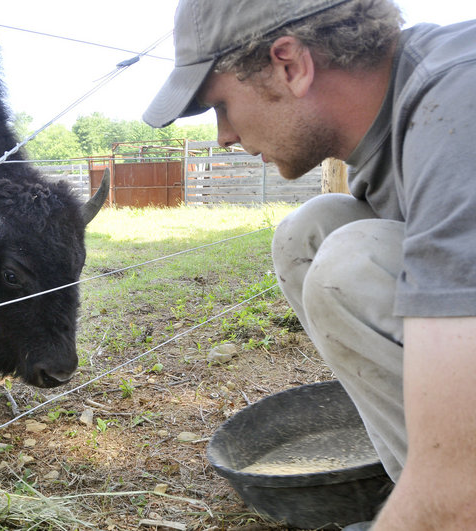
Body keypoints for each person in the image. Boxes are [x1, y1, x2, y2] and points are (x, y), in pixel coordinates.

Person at [144, 0, 476, 529]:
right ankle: (417, 484)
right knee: (314, 231)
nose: (222, 136)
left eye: (221, 105)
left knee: (349, 261)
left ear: (289, 65)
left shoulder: (460, 102)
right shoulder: (386, 129)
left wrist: (450, 495)